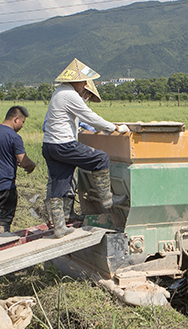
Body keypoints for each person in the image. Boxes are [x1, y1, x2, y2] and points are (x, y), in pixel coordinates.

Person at [42, 58, 129, 238]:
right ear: (79, 81)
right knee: (101, 158)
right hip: (63, 144)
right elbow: (89, 117)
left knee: (59, 185)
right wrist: (115, 128)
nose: (85, 86)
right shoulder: (70, 94)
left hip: (50, 145)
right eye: (85, 82)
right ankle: (107, 200)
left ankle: (59, 227)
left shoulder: (59, 92)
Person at [0, 106, 37, 236]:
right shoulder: (14, 137)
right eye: (23, 122)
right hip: (5, 186)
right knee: (4, 221)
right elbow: (23, 161)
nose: (22, 125)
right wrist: (31, 166)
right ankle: (1, 247)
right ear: (16, 119)